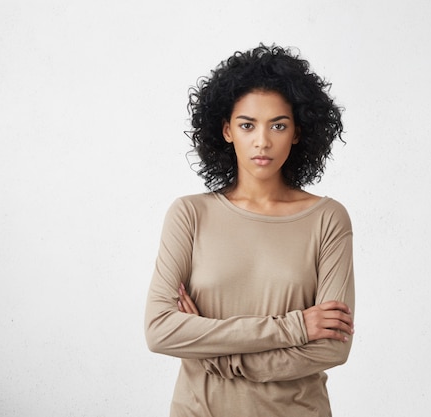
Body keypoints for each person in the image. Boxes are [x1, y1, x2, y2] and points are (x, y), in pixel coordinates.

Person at [145, 44, 354, 417]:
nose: (262, 141)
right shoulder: (190, 214)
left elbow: (331, 347)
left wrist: (221, 357)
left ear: (297, 133)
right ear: (226, 130)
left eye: (278, 125)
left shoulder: (328, 219)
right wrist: (295, 327)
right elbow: (160, 330)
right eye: (247, 125)